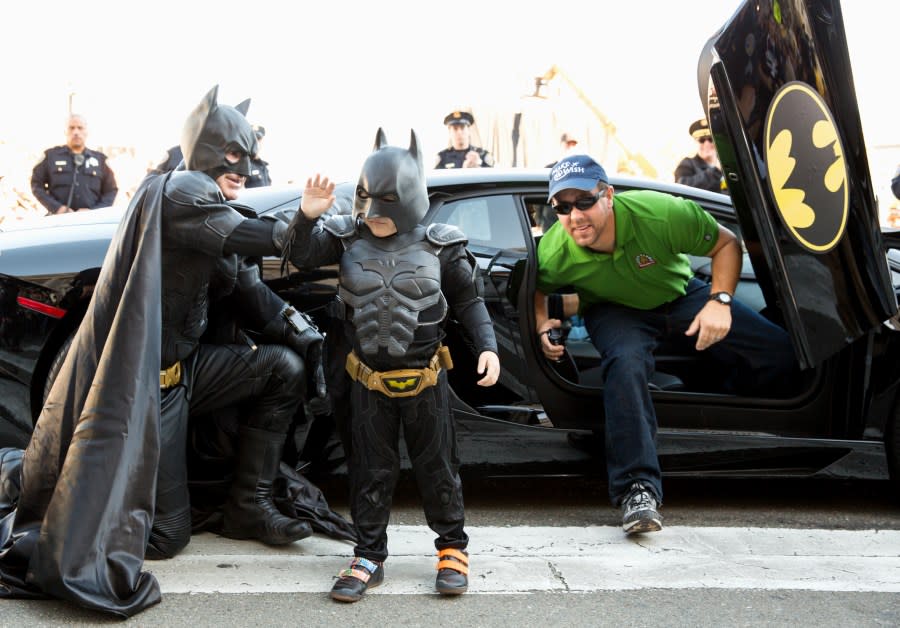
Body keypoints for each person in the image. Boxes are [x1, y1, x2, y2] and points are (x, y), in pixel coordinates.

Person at [0, 86, 326, 617]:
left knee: (281, 368)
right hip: (141, 393)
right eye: (232, 156)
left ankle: (250, 503)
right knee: (168, 536)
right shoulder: (181, 194)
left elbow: (249, 292)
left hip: (188, 373)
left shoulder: (216, 205)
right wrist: (309, 218)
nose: (242, 169)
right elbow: (261, 240)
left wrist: (300, 330)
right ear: (204, 149)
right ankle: (17, 472)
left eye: (248, 158)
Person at [286, 128, 500, 603]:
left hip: (426, 377)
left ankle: (452, 549)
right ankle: (368, 555)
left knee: (439, 467)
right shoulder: (343, 238)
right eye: (370, 203)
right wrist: (306, 217)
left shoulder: (442, 245)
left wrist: (487, 346)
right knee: (369, 469)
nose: (377, 216)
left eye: (387, 204)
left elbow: (469, 302)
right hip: (367, 380)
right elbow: (297, 257)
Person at [534, 155, 797, 536]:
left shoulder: (661, 213)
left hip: (678, 294)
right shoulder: (556, 251)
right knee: (624, 365)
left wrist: (719, 302)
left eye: (584, 202)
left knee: (780, 353)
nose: (574, 216)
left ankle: (720, 421)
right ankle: (636, 489)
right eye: (562, 207)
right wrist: (542, 323)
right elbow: (536, 288)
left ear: (608, 195)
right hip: (615, 310)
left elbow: (727, 245)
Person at [31, 113, 118, 214]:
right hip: (58, 220)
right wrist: (56, 208)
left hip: (92, 222)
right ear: (65, 131)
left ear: (86, 132)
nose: (76, 132)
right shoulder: (50, 156)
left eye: (80, 128)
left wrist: (94, 212)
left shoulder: (100, 160)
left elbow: (111, 191)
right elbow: (36, 184)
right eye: (71, 128)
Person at [674, 118, 728, 194]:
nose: (706, 144)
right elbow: (681, 187)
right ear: (696, 143)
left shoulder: (728, 165)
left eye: (710, 139)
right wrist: (716, 171)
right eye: (701, 140)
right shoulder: (687, 164)